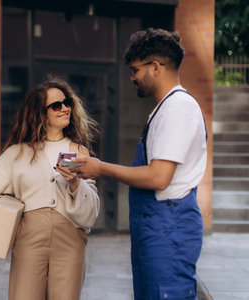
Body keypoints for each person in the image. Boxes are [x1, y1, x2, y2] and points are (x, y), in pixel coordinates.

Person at [72, 28, 207, 300]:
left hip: (169, 228)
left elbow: (159, 177)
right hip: (157, 227)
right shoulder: (165, 108)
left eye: (135, 70)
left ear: (155, 67)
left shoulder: (178, 108)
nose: (132, 78)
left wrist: (100, 168)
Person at [0, 76, 101, 300]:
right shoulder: (18, 153)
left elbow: (91, 213)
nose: (65, 108)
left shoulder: (80, 151)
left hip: (70, 239)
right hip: (29, 239)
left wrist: (75, 183)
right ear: (40, 113)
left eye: (67, 103)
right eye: (56, 105)